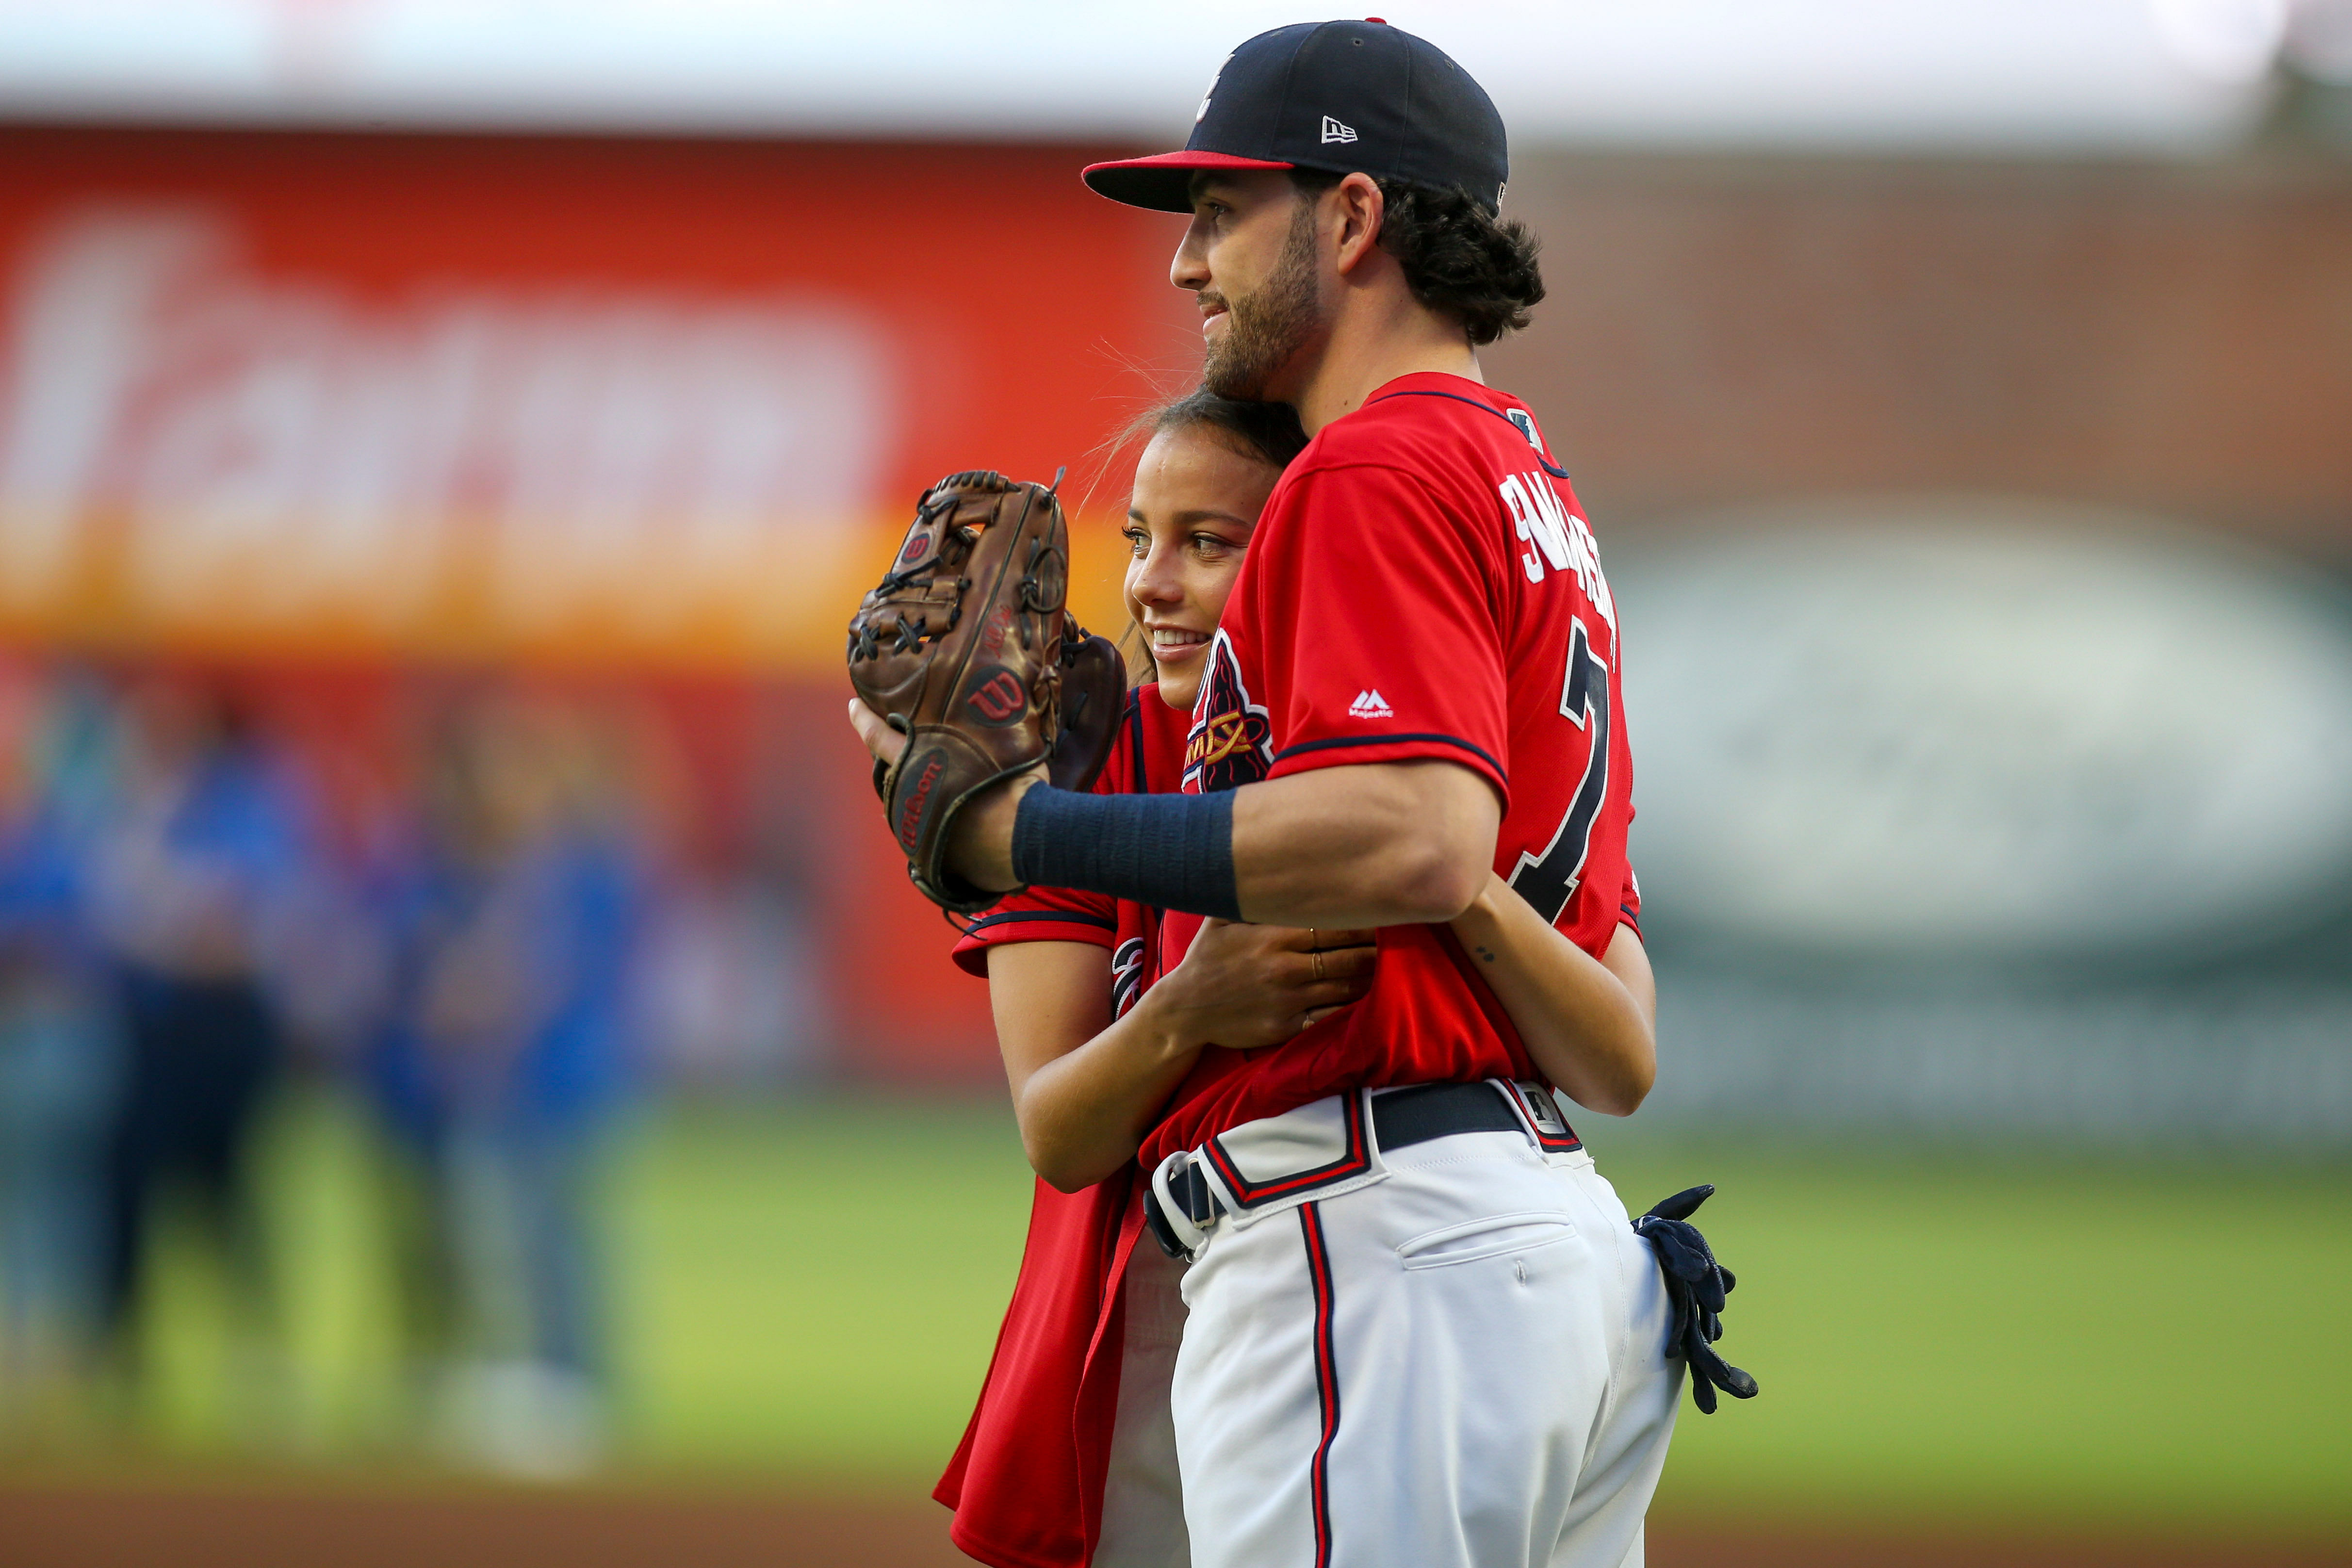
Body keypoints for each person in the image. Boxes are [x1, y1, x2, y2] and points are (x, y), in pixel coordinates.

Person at [857, 21, 1679, 1568]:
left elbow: (1413, 838)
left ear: (1353, 217)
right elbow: (1578, 965)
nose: (1188, 265)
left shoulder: (1368, 471)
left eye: (1221, 211)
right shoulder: (1534, 489)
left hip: (1378, 1244)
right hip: (1537, 1239)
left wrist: (1015, 830)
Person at [930, 387, 1662, 1568]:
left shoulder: (1418, 756)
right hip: (1194, 1298)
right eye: (1140, 538)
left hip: (1374, 1267)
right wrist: (1187, 1006)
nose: (1149, 584)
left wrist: (1444, 871)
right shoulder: (1096, 752)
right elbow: (1058, 1130)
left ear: (1305, 562)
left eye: (1208, 542)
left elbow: (1622, 1062)